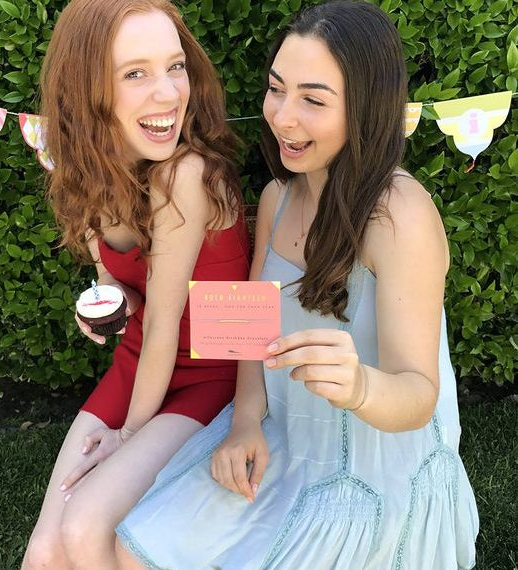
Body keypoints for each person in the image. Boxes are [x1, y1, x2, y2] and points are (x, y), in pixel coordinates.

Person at [114, 2, 479, 569]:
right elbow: (247, 324)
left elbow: (418, 396)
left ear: (366, 108)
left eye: (313, 99)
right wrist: (243, 423)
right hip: (282, 436)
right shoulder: (278, 197)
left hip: (372, 473)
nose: (282, 117)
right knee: (133, 547)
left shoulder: (402, 216)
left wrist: (359, 385)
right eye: (276, 89)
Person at [21, 1, 250, 569]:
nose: (169, 93)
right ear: (87, 90)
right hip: (139, 363)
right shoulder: (89, 176)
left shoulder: (185, 175)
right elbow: (120, 286)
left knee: (85, 525)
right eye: (135, 73)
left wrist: (127, 437)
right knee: (44, 551)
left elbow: (167, 325)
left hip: (210, 375)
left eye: (175, 66)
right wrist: (107, 303)